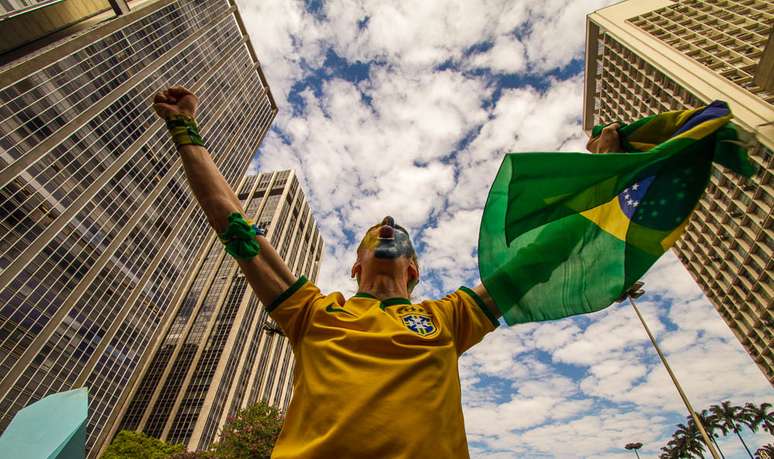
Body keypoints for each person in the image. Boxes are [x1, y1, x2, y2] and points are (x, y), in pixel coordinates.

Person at [152, 86, 621, 458]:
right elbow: (233, 221)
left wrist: (603, 173)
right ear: (356, 266)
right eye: (375, 229)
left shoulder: (449, 317)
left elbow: (537, 261)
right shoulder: (311, 312)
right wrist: (184, 129)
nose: (389, 225)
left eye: (398, 230)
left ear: (414, 269)